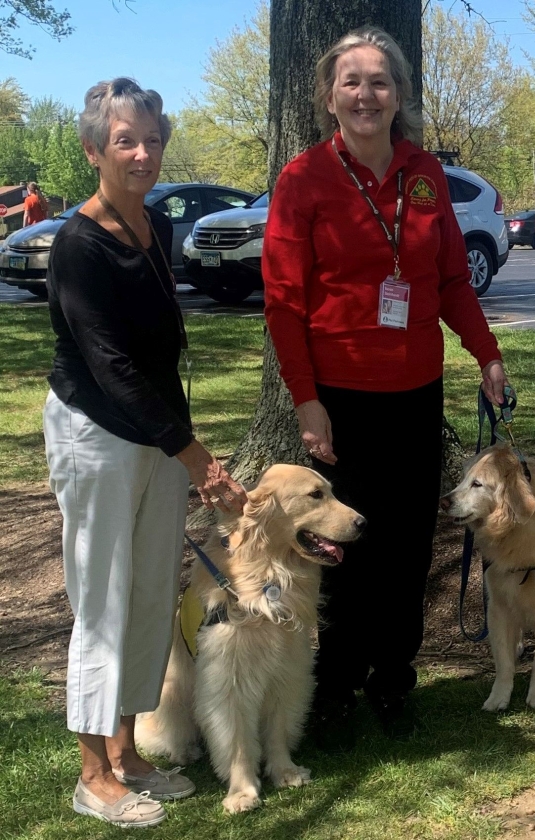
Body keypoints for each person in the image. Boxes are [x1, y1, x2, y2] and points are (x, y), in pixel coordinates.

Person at [262, 27, 509, 741]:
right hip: (338, 399)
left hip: (415, 391)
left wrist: (486, 354)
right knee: (339, 547)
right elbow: (284, 303)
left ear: (399, 94)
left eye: (380, 82)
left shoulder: (426, 174)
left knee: (405, 546)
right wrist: (307, 401)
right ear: (329, 96)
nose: (366, 94)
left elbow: (455, 281)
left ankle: (394, 679)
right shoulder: (303, 179)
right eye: (352, 82)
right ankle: (336, 682)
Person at [44, 77, 246, 827]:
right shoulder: (77, 243)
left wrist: (182, 448)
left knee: (153, 594)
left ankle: (128, 752)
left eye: (153, 140)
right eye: (125, 140)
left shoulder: (155, 226)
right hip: (96, 433)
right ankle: (92, 774)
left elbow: (161, 360)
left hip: (156, 433)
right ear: (94, 149)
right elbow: (111, 366)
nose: (142, 153)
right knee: (102, 598)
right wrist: (196, 458)